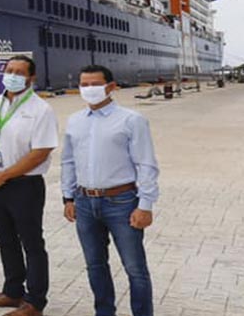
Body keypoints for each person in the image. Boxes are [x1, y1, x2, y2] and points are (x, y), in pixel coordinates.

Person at [61, 64, 158, 316]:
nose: (89, 89)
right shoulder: (75, 121)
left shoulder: (131, 120)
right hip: (84, 201)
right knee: (95, 265)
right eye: (84, 85)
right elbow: (68, 161)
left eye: (95, 84)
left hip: (122, 202)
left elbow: (146, 164)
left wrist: (145, 205)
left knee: (135, 268)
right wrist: (68, 197)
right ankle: (104, 312)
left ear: (111, 87)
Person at [0, 55, 58, 316]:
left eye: (19, 72)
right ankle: (12, 291)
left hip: (24, 186)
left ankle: (35, 302)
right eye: (10, 70)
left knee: (32, 243)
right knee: (5, 240)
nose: (13, 75)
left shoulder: (40, 109)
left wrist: (3, 175)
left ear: (31, 79)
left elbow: (40, 152)